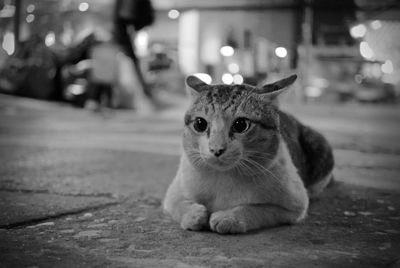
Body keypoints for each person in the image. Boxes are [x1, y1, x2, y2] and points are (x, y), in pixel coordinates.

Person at [113, 0, 155, 100]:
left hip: (129, 24)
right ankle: (143, 94)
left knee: (133, 63)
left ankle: (144, 93)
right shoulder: (127, 16)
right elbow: (126, 15)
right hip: (128, 25)